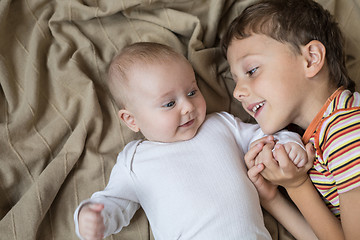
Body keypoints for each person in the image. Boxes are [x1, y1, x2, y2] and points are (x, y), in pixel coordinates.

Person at [73, 42, 316, 240]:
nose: (188, 107)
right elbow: (115, 201)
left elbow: (265, 135)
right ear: (131, 120)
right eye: (169, 104)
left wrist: (288, 144)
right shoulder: (135, 161)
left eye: (192, 92)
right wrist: (94, 218)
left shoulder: (221, 124)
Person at [222, 0, 360, 239]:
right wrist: (273, 198)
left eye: (252, 70)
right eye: (235, 81)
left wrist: (297, 186)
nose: (237, 92)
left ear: (310, 59)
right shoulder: (322, 132)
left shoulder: (346, 129)